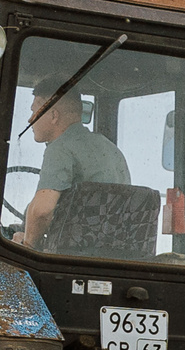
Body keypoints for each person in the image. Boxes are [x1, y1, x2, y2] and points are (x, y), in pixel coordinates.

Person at [19, 83, 130, 248]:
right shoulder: (111, 149)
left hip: (72, 254)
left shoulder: (60, 147)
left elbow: (42, 211)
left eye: (34, 111)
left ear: (54, 116)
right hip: (111, 252)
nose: (30, 119)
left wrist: (26, 244)